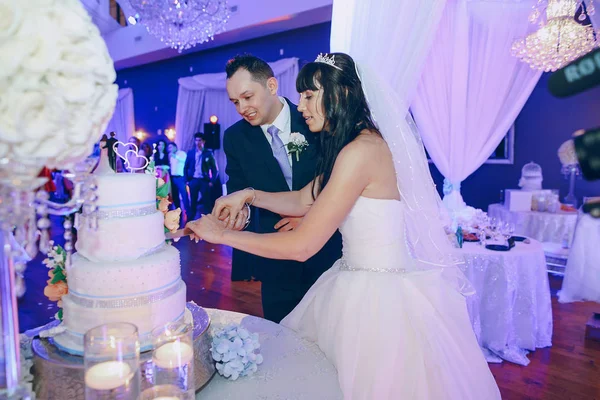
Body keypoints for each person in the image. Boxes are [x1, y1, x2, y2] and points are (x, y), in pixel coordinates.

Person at [186, 53, 501, 399]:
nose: (302, 106)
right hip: (354, 276)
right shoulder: (358, 145)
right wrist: (247, 194)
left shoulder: (360, 152)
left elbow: (302, 245)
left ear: (339, 96)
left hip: (378, 296)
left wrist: (223, 235)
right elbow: (304, 199)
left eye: (309, 95)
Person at [220, 54, 342, 322]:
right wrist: (241, 216)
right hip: (275, 260)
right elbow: (238, 190)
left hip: (329, 253)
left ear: (271, 86)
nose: (242, 108)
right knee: (282, 337)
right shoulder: (235, 138)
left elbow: (339, 179)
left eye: (247, 97)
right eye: (235, 102)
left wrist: (311, 220)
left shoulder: (316, 119)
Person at [184, 132, 219, 220]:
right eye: (196, 140)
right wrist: (187, 180)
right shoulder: (191, 153)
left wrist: (212, 181)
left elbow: (215, 169)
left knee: (206, 202)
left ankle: (209, 221)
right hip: (193, 180)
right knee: (193, 202)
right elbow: (185, 167)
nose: (197, 142)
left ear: (203, 141)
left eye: (199, 140)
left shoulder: (208, 153)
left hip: (204, 181)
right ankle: (190, 221)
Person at [167, 142, 190, 223]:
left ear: (175, 147)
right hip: (173, 178)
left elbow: (184, 161)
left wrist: (175, 156)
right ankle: (178, 212)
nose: (170, 149)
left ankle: (188, 214)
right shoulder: (170, 156)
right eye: (169, 148)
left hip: (181, 177)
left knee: (184, 196)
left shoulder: (181, 153)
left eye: (171, 147)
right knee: (175, 196)